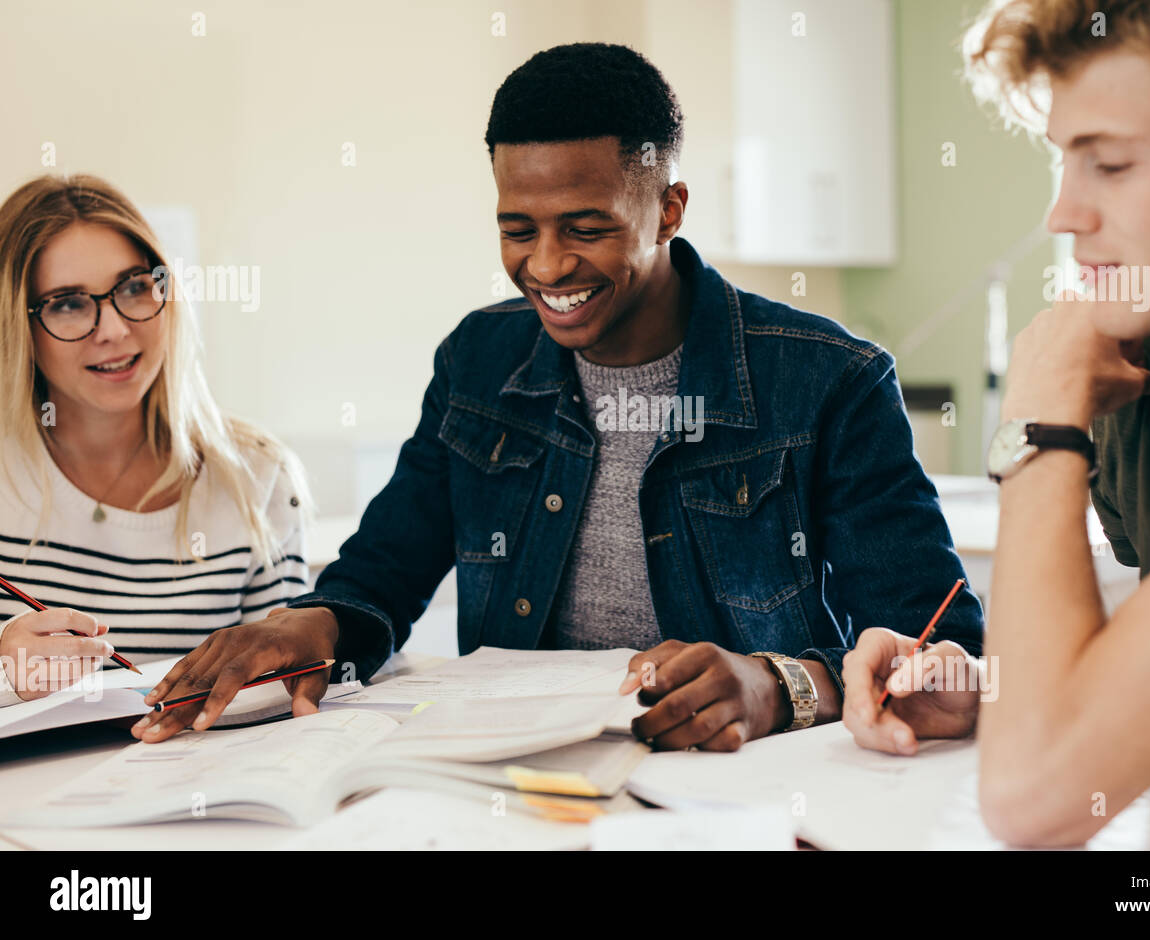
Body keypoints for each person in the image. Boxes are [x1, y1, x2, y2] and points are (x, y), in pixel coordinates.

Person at [135, 42, 983, 749]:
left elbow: (938, 642)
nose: (546, 266)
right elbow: (384, 572)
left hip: (746, 795)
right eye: (517, 229)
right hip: (524, 785)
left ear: (668, 208)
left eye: (585, 227)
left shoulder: (828, 378)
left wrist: (778, 687)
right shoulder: (477, 360)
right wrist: (315, 625)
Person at [841, 0, 1150, 846]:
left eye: (1112, 164)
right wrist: (993, 692)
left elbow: (1032, 801)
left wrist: (1042, 418)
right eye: (1064, 160)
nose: (1064, 213)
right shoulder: (1140, 378)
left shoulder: (1083, 389)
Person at [0, 174, 310, 708]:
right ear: (16, 325)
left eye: (133, 287)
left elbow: (285, 688)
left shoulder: (258, 476)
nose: (115, 329)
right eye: (69, 303)